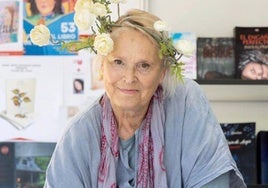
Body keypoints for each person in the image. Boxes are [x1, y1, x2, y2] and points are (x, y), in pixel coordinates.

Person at [31, 2, 246, 187]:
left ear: (162, 72)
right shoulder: (78, 135)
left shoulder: (186, 101)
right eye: (118, 62)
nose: (129, 77)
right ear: (101, 67)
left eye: (144, 65)